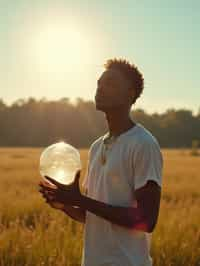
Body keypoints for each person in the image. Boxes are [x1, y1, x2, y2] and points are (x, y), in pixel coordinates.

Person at [39, 58, 163, 266]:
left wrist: (81, 200)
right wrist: (65, 205)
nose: (100, 89)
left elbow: (147, 220)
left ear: (130, 93)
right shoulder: (97, 147)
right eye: (99, 83)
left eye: (111, 83)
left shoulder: (143, 144)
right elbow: (93, 217)